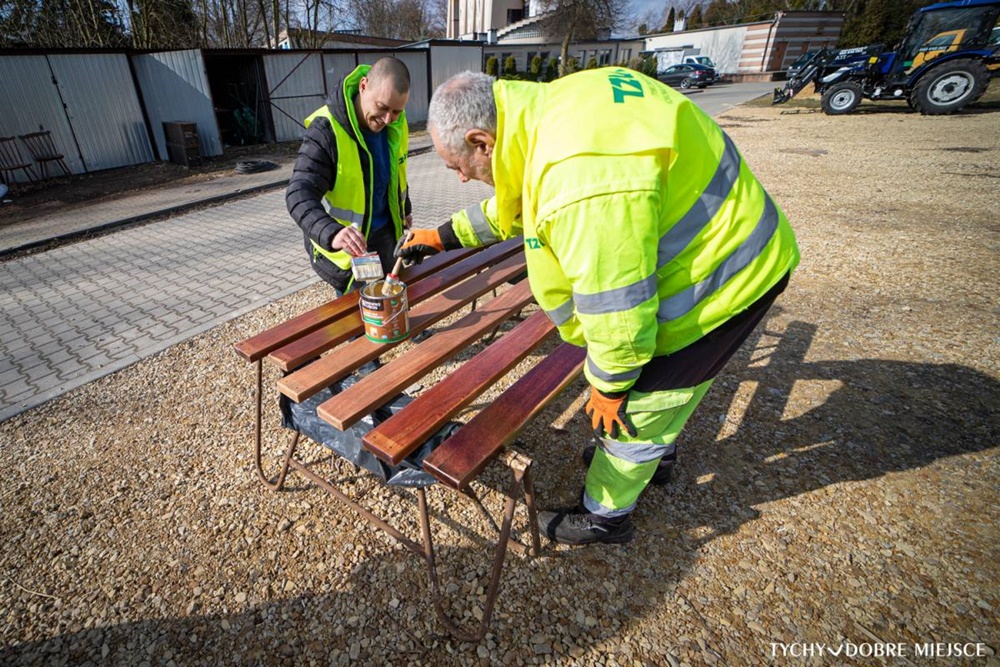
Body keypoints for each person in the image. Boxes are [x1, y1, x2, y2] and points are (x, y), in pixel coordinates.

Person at [396, 68, 800, 546]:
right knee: (648, 390)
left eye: (456, 166)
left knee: (642, 398)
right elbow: (518, 201)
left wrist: (609, 387)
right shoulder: (549, 112)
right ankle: (656, 456)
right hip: (726, 244)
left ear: (482, 141)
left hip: (724, 280)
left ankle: (605, 516)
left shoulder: (580, 183)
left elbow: (620, 319)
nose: (461, 178)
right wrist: (441, 236)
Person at [287, 57, 413, 295]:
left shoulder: (396, 124)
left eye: (397, 111)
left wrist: (404, 207)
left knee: (393, 301)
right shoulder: (326, 129)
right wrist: (332, 232)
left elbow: (396, 172)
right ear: (363, 86)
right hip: (352, 247)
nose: (388, 119)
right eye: (383, 107)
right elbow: (298, 192)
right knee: (358, 317)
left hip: (389, 233)